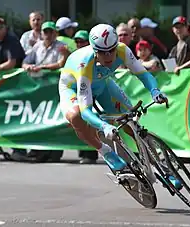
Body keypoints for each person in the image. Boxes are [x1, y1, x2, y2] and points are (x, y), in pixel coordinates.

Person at [58, 24, 182, 189]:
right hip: (72, 88)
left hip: (102, 85)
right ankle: (105, 151)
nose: (109, 56)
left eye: (112, 50)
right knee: (76, 116)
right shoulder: (85, 64)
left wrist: (154, 91)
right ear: (95, 51)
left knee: (132, 125)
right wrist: (104, 126)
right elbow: (86, 110)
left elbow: (144, 74)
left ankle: (163, 168)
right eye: (103, 52)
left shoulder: (123, 50)